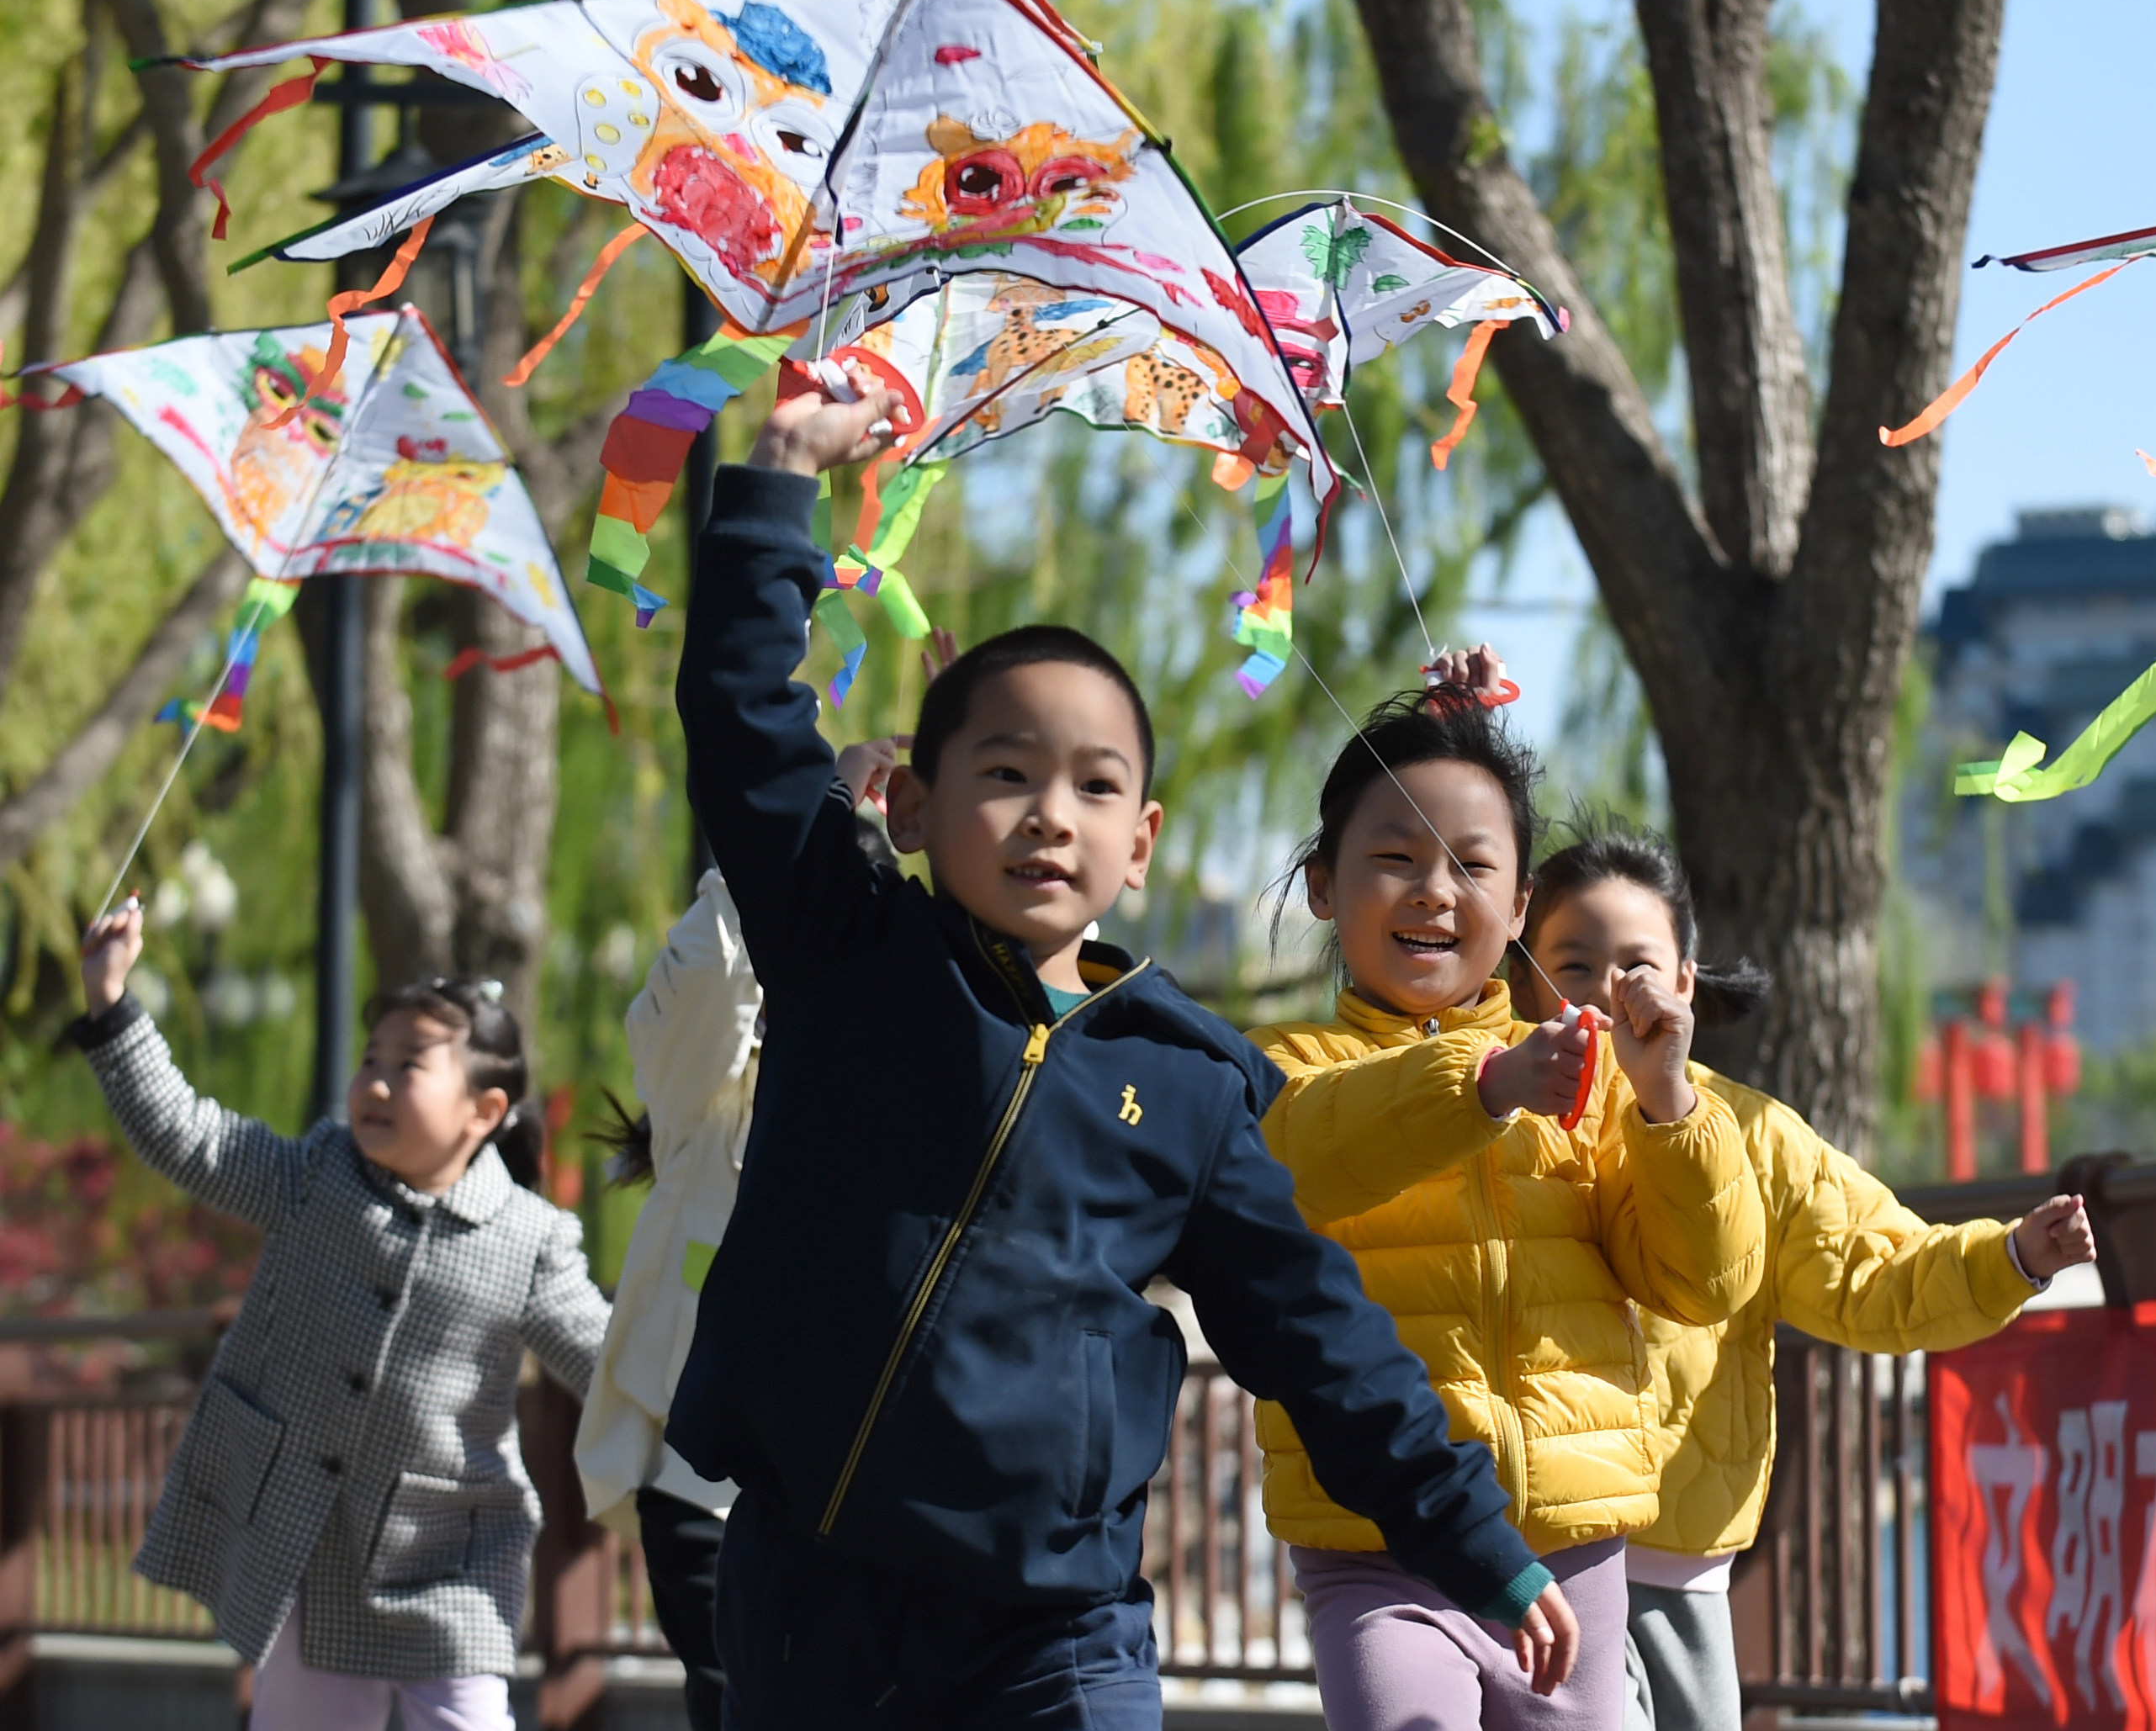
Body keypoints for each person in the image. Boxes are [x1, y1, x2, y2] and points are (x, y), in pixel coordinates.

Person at [666, 383, 1576, 1730]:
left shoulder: (1194, 1081)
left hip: (1059, 1623)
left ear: (1140, 841)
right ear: (911, 804)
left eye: (1094, 785)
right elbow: (745, 720)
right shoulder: (845, 952)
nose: (1049, 816)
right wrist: (781, 476)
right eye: (1004, 773)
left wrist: (1472, 1540)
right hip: (813, 1594)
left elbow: (1318, 1335)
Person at [1251, 655, 1767, 1731]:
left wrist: (1668, 1101)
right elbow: (1309, 1152)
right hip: (1377, 1540)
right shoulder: (1285, 1066)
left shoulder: (1581, 1075)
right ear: (1320, 885)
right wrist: (1480, 1085)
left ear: (1522, 901)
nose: (1436, 891)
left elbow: (1700, 1279)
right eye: (1392, 859)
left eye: (1472, 866)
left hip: (1573, 1543)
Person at [1512, 821, 2098, 1731]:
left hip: (1680, 1560)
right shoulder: (1489, 1115)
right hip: (1531, 1557)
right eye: (1572, 965)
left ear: (1684, 984)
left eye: (1635, 966)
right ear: (1518, 975)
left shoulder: (1753, 1137)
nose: (1603, 993)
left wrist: (2008, 1256)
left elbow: (1876, 1271)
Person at [72, 908, 607, 1731]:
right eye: (370, 1060)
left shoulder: (529, 1240)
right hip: (310, 1546)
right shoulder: (314, 1176)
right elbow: (189, 1138)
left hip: (451, 1562)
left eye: (409, 1064)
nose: (378, 1081)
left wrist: (720, 1408)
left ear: (484, 1109)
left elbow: (606, 1360)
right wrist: (112, 1004)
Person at [575, 740, 905, 1731]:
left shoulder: (912, 1091)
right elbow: (703, 993)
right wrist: (803, 827)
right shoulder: (708, 1100)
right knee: (734, 1701)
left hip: (865, 1481)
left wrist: (993, 791)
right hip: (706, 1475)